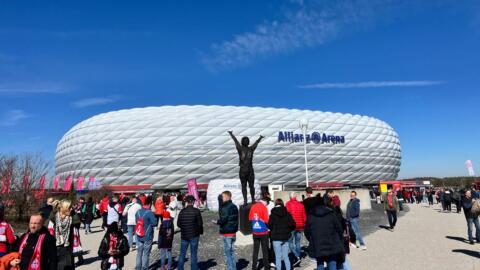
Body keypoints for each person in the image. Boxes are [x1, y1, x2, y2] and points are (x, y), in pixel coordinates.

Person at [305, 199, 344, 270]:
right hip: (332, 243)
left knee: (320, 264)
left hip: (318, 244)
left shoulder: (311, 216)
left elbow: (307, 232)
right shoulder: (331, 214)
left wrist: (312, 239)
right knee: (332, 263)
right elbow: (339, 228)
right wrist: (340, 238)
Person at [228, 130, 264, 205]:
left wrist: (260, 138)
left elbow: (236, 141)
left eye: (247, 140)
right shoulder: (246, 149)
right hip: (247, 171)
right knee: (248, 186)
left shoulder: (245, 149)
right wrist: (260, 138)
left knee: (248, 186)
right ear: (245, 142)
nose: (247, 141)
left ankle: (249, 200)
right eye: (246, 140)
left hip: (246, 171)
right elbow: (236, 141)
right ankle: (248, 200)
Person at [48, 200, 81, 270]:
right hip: (56, 248)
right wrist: (54, 210)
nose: (71, 209)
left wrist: (73, 212)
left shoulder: (72, 218)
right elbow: (50, 218)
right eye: (69, 207)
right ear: (63, 208)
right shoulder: (55, 217)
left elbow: (77, 222)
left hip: (67, 247)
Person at [177, 195, 204, 270]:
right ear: (193, 202)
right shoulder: (196, 211)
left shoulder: (182, 211)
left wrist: (184, 227)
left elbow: (178, 224)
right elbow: (200, 224)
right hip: (194, 235)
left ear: (186, 202)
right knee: (193, 254)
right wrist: (200, 232)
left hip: (184, 235)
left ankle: (180, 268)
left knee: (182, 254)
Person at [268, 199, 296, 270]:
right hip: (285, 237)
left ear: (275, 204)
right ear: (282, 204)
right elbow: (293, 224)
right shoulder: (287, 213)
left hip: (276, 238)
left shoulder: (273, 214)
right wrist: (288, 230)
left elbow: (269, 225)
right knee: (286, 256)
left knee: (278, 257)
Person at [216, 191, 239, 270]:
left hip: (227, 232)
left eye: (222, 197)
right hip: (233, 232)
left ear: (227, 197)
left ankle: (231, 268)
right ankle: (233, 268)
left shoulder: (226, 207)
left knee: (228, 253)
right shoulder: (234, 206)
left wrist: (217, 222)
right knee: (232, 252)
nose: (221, 198)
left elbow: (223, 219)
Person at [135, 196, 157, 270]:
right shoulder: (149, 213)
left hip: (139, 235)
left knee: (139, 253)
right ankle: (144, 268)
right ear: (150, 204)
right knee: (146, 253)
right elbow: (154, 223)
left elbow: (136, 222)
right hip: (147, 235)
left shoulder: (137, 212)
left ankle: (138, 268)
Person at [249, 198, 270, 270]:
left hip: (255, 231)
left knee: (255, 250)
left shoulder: (253, 206)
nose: (267, 205)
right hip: (264, 232)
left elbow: (250, 219)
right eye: (267, 203)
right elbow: (267, 220)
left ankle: (254, 267)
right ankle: (266, 267)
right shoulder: (264, 208)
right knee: (265, 251)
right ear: (265, 202)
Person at [285, 192, 306, 265]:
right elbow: (304, 216)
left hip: (291, 227)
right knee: (297, 242)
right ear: (295, 197)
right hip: (300, 226)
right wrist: (304, 225)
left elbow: (286, 216)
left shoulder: (288, 204)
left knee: (290, 242)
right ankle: (298, 257)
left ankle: (296, 257)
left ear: (290, 197)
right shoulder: (301, 205)